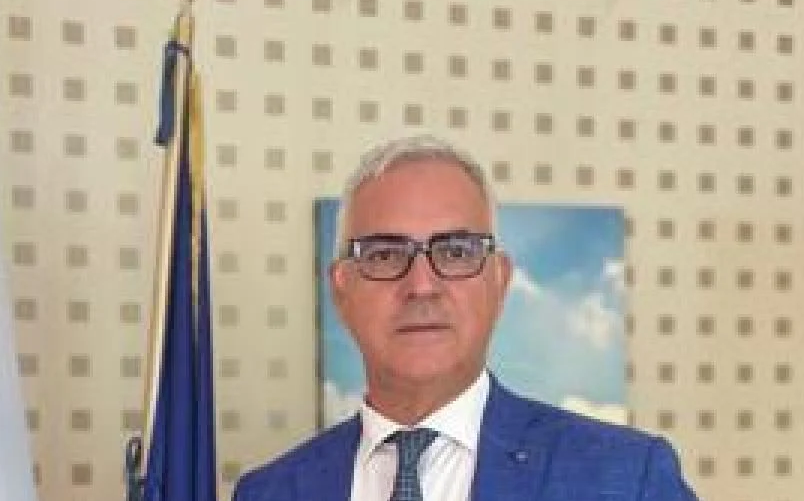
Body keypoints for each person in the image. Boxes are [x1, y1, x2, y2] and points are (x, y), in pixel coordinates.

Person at [233, 135, 699, 501]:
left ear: (499, 281)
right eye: (384, 255)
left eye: (455, 252)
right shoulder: (268, 493)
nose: (421, 286)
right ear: (342, 288)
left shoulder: (627, 478)